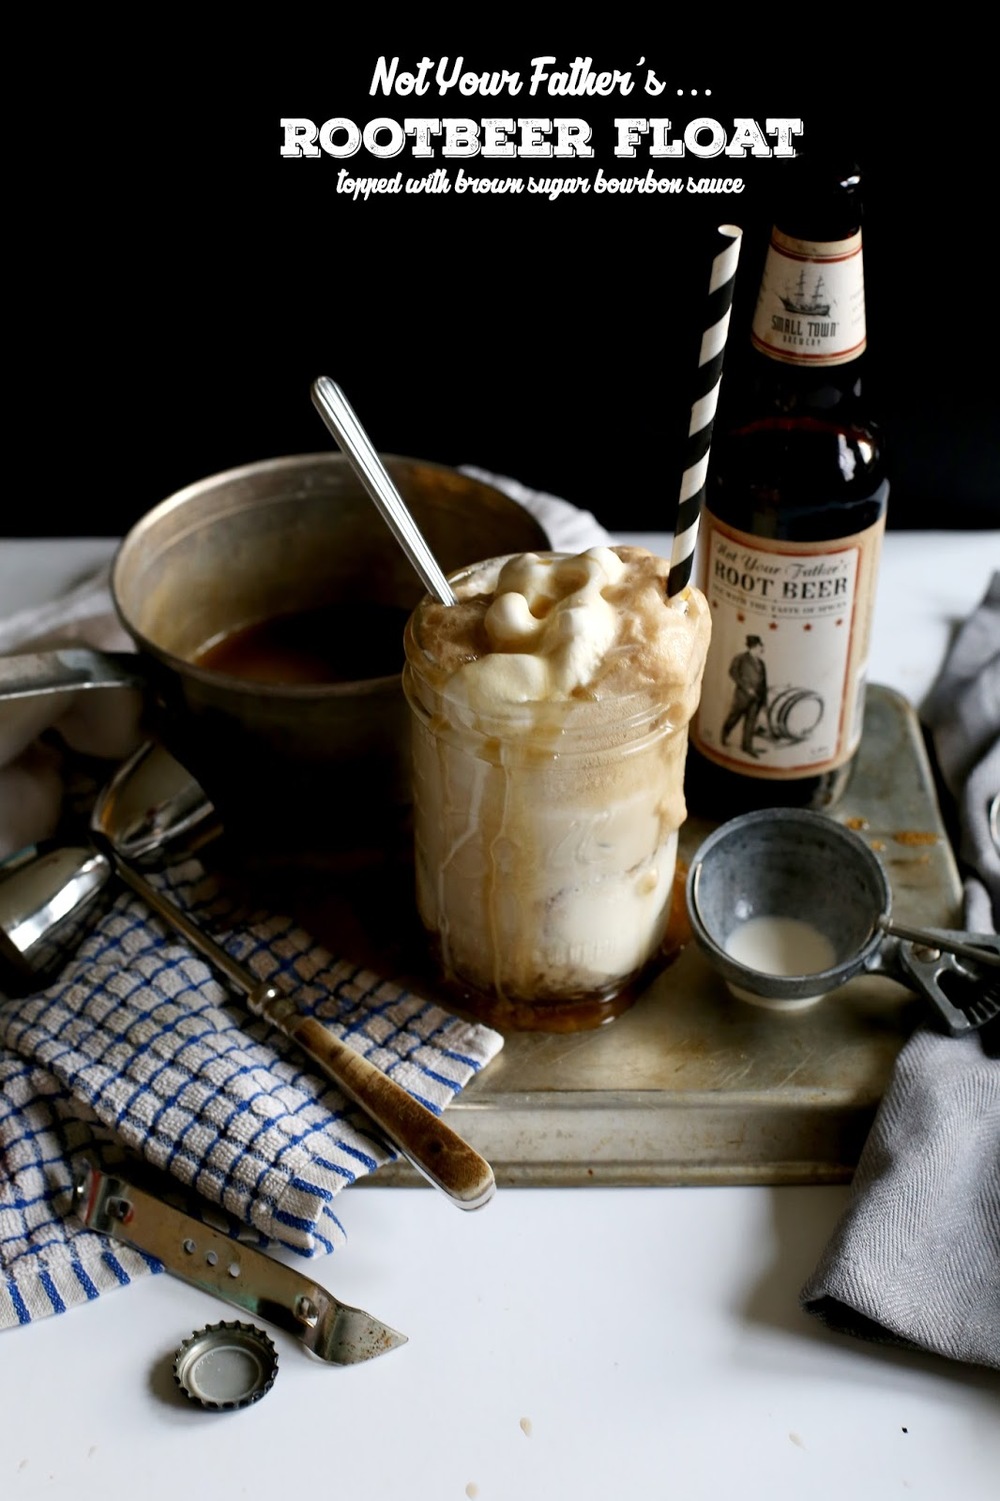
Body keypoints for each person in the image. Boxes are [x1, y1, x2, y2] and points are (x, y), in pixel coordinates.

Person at [721, 635, 768, 756]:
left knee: (751, 723)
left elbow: (764, 683)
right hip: (742, 697)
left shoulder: (761, 663)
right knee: (734, 718)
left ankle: (747, 747)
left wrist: (764, 699)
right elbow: (733, 672)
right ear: (754, 647)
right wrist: (747, 688)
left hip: (756, 698)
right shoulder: (741, 658)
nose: (762, 648)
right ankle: (724, 734)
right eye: (760, 646)